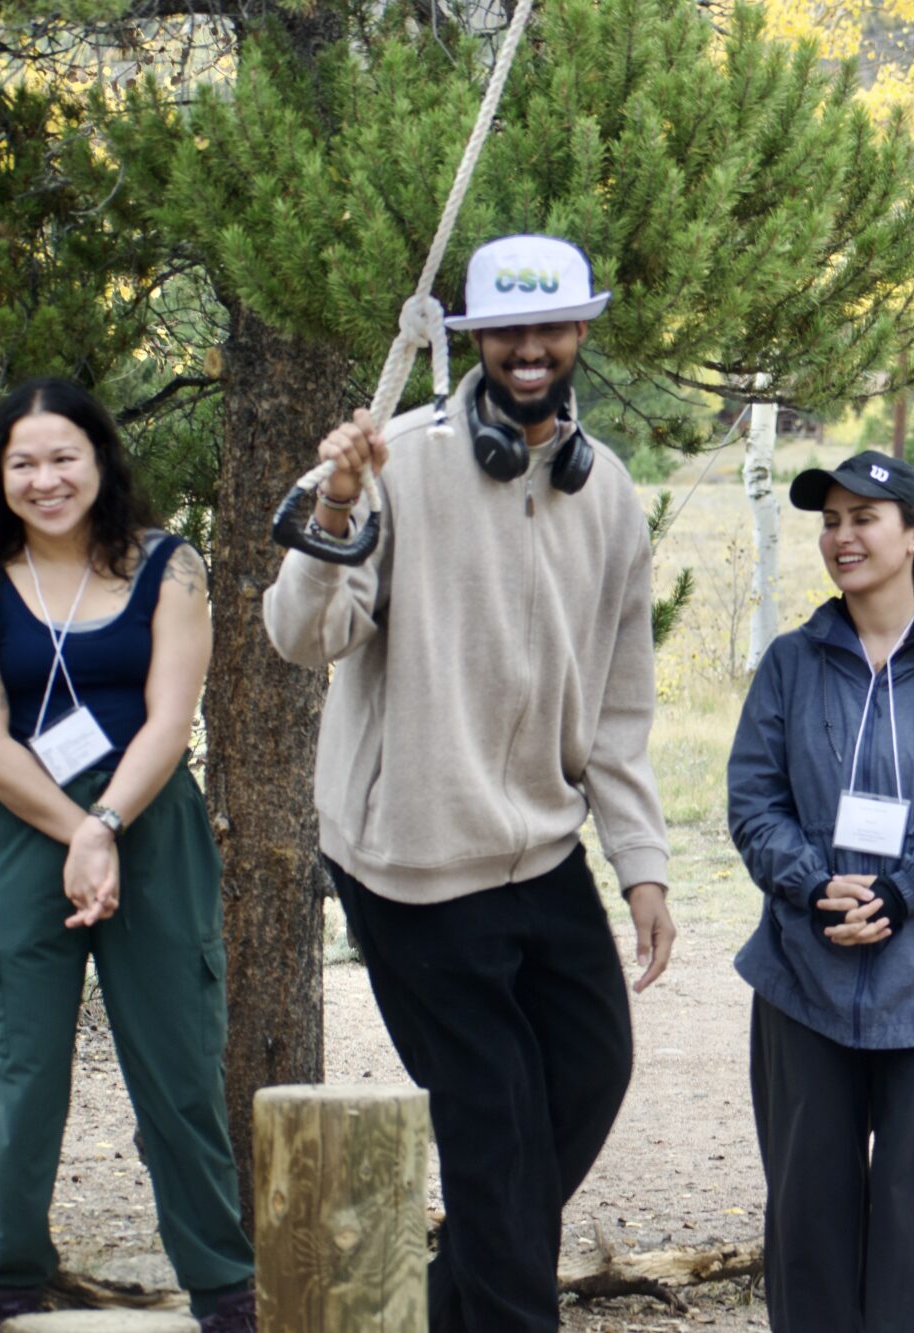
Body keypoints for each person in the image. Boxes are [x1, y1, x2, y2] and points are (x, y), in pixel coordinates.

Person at [262, 233, 676, 1333]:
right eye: (506, 329)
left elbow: (620, 704)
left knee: (590, 1071)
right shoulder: (396, 461)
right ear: (473, 339)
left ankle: (448, 1304)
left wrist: (641, 864)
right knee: (493, 1125)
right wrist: (337, 505)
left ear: (580, 331)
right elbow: (301, 634)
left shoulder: (609, 493)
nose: (530, 348)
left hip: (539, 848)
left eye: (550, 327)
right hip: (410, 857)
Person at [0, 379, 256, 1333]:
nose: (45, 480)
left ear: (99, 459)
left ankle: (223, 1293)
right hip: (21, 829)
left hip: (151, 823)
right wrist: (75, 829)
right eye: (23, 462)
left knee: (180, 1068)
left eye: (63, 457)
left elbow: (171, 715)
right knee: (23, 1071)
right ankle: (12, 1287)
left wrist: (107, 824)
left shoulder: (171, 565)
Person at [726, 450, 914, 1333]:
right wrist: (813, 885)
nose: (842, 536)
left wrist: (903, 893)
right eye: (831, 521)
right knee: (810, 1226)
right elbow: (755, 800)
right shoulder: (791, 662)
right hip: (806, 980)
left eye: (864, 517)